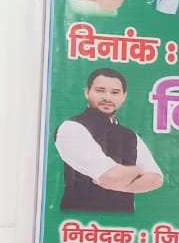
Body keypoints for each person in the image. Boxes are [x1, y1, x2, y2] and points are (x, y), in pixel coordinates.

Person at [54, 68, 163, 213]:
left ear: (124, 96)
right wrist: (138, 171)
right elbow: (111, 176)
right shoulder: (71, 128)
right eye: (100, 90)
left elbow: (156, 179)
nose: (107, 98)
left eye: (115, 92)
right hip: (81, 220)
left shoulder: (131, 135)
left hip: (125, 222)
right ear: (87, 92)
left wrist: (123, 185)